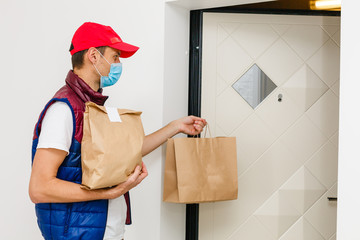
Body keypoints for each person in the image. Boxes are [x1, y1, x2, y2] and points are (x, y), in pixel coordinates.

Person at [28, 22, 206, 240]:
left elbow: (128, 151)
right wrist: (110, 192)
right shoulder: (63, 110)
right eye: (115, 57)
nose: (118, 64)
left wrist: (175, 127)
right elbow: (39, 188)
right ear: (93, 55)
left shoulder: (91, 107)